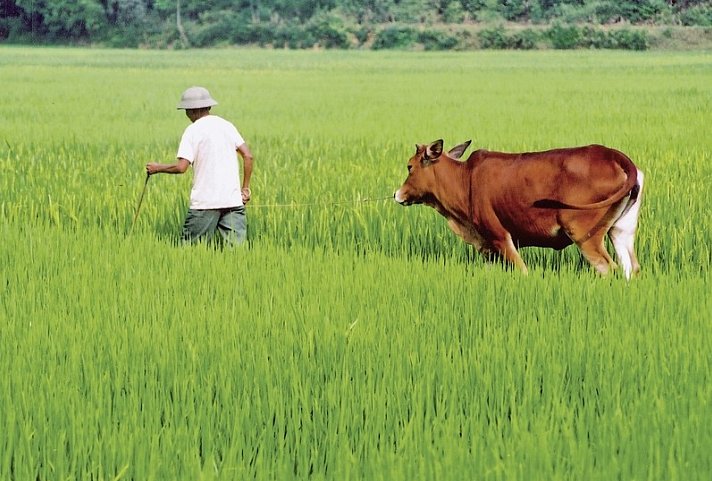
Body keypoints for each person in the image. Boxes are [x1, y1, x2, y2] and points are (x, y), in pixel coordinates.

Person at [146, 86, 253, 245]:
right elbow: (248, 156)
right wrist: (245, 189)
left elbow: (181, 167)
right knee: (236, 256)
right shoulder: (227, 126)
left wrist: (157, 168)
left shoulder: (193, 130)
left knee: (191, 253)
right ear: (209, 106)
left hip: (205, 203)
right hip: (233, 202)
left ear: (192, 111)